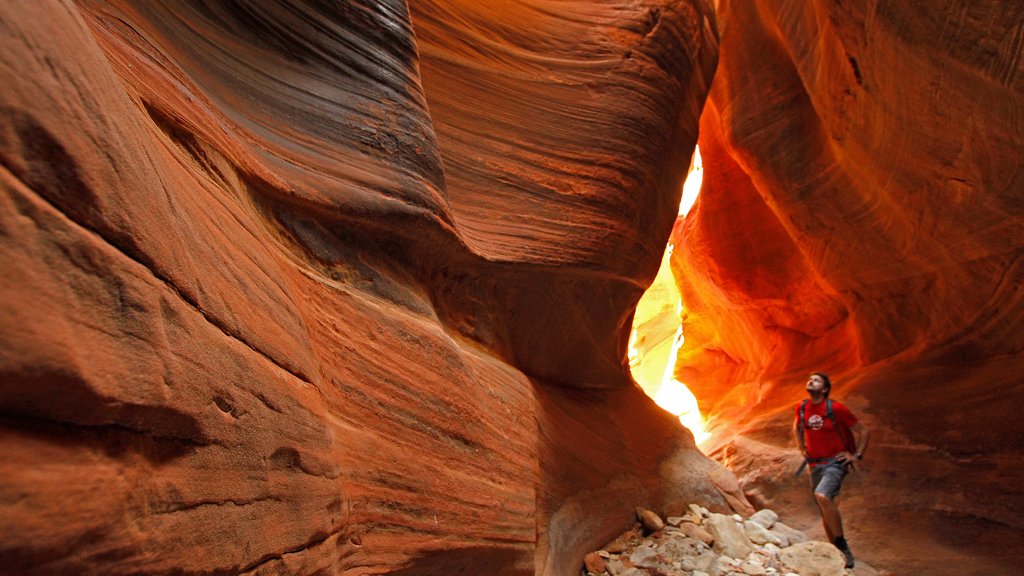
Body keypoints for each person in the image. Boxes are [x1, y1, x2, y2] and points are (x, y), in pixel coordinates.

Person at [792, 372, 870, 569]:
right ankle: (835, 551)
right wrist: (801, 446)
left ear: (825, 389)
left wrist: (856, 455)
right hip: (815, 464)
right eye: (809, 379)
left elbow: (864, 431)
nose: (811, 381)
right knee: (823, 505)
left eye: (816, 380)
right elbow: (797, 427)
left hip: (835, 462)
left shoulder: (835, 408)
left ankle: (843, 548)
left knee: (823, 495)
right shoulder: (802, 407)